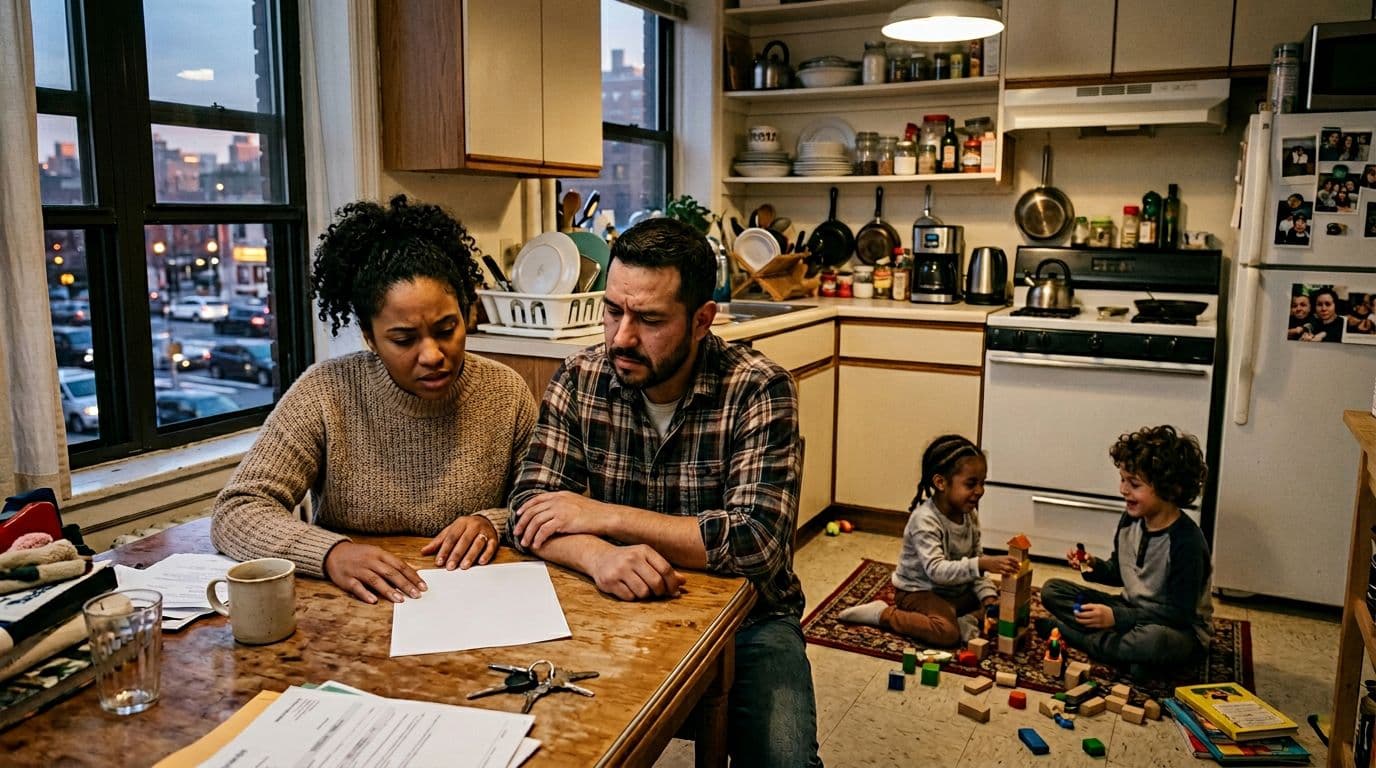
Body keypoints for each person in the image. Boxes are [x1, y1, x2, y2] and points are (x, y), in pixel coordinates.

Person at [507, 217, 822, 767]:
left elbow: (754, 544)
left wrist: (601, 516)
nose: (622, 337)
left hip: (750, 625)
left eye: (649, 319)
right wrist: (598, 556)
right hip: (606, 606)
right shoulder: (579, 377)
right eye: (613, 311)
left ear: (703, 320)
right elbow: (527, 511)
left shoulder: (759, 388)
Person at [211, 195, 537, 604]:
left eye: (447, 328)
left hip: (475, 602)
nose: (432, 355)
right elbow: (238, 510)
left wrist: (492, 523)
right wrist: (331, 553)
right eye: (403, 339)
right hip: (351, 608)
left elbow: (543, 501)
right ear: (369, 336)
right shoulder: (325, 392)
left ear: (468, 312)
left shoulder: (505, 393)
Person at [1038, 426, 1213, 678]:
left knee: (1155, 642)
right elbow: (1119, 573)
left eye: (1134, 484)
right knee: (1052, 590)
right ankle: (1126, 654)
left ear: (1170, 489)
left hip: (1176, 628)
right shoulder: (1130, 520)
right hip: (1129, 610)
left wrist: (1117, 618)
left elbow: (1178, 614)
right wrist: (1092, 565)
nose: (1123, 490)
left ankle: (1076, 635)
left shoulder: (1187, 543)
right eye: (1122, 479)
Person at [836, 435, 1019, 646]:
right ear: (940, 482)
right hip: (919, 591)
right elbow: (938, 571)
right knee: (947, 633)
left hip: (953, 590)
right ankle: (884, 614)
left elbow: (975, 567)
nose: (980, 491)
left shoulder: (969, 514)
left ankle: (963, 616)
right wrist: (983, 563)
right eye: (971, 484)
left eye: (982, 483)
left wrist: (988, 599)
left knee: (1000, 606)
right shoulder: (924, 520)